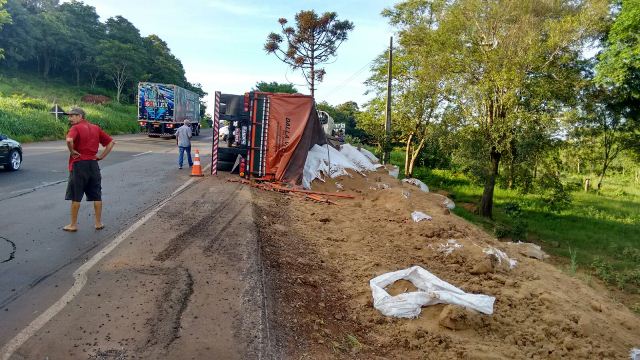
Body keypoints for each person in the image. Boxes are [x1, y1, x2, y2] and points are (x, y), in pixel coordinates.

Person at [63, 107, 115, 232]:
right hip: (93, 164)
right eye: (69, 116)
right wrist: (101, 157)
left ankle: (73, 225)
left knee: (76, 194)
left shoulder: (75, 128)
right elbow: (111, 142)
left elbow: (69, 140)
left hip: (80, 164)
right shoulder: (95, 128)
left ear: (80, 116)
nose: (69, 118)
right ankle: (98, 223)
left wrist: (72, 151)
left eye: (72, 116)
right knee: (97, 194)